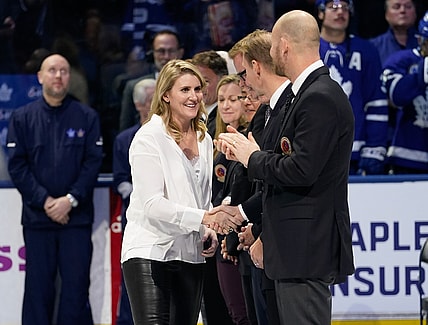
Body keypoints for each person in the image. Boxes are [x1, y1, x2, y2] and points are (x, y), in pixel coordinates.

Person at [215, 10, 355, 324]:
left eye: (274, 45)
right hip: (294, 247)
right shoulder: (304, 96)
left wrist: (251, 156)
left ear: (284, 47)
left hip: (305, 247)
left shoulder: (320, 97)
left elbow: (301, 170)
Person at [120, 59, 240, 325]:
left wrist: (207, 230)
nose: (194, 96)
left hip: (190, 253)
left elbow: (202, 199)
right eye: (185, 90)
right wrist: (204, 218)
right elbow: (152, 204)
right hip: (150, 250)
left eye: (198, 89)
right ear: (166, 95)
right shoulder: (148, 137)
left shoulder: (204, 139)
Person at [6, 54, 103, 325]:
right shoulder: (22, 118)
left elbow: (92, 163)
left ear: (69, 78)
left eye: (63, 71)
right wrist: (46, 201)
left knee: (75, 288)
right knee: (38, 290)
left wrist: (69, 200)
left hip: (76, 219)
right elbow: (17, 167)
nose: (58, 75)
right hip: (38, 219)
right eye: (52, 70)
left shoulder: (87, 117)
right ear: (40, 77)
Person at [317, 0, 389, 175]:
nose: (340, 12)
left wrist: (374, 147)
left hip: (354, 151)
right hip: (313, 149)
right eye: (333, 7)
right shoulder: (306, 49)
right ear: (320, 13)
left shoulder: (366, 50)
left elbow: (376, 101)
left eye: (345, 8)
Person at [112, 78, 156, 325]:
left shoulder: (174, 135)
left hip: (166, 218)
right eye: (150, 100)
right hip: (137, 219)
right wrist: (142, 193)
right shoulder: (124, 139)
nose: (154, 104)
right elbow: (119, 179)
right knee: (134, 273)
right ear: (138, 105)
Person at [211, 74, 250, 325]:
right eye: (221, 99)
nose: (226, 105)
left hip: (240, 238)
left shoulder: (248, 144)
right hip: (218, 238)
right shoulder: (214, 146)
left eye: (233, 99)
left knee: (243, 315)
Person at [380, 11, 428, 174]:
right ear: (421, 39)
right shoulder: (402, 59)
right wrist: (421, 74)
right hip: (407, 154)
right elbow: (395, 96)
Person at [119, 30, 184, 131]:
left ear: (180, 53)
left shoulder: (192, 86)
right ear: (152, 53)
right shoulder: (133, 87)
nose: (166, 57)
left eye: (171, 51)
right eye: (161, 51)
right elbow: (125, 129)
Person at [191, 50, 229, 138]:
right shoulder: (192, 115)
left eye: (206, 81)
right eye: (196, 81)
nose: (199, 87)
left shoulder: (226, 117)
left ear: (222, 80)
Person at [370, 0, 418, 64]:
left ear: (415, 13)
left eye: (408, 7)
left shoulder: (425, 43)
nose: (402, 10)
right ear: (386, 14)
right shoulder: (373, 47)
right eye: (396, 7)